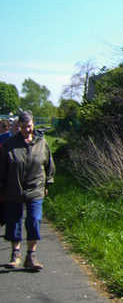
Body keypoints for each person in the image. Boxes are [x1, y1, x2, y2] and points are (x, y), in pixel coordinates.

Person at [0, 111, 55, 271]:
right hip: (12, 189)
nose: (26, 130)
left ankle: (31, 256)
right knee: (14, 222)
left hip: (35, 189)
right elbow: (1, 167)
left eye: (29, 126)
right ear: (18, 127)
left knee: (33, 221)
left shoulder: (42, 143)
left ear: (33, 124)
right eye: (23, 127)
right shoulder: (9, 143)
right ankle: (15, 254)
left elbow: (49, 165)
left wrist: (47, 184)